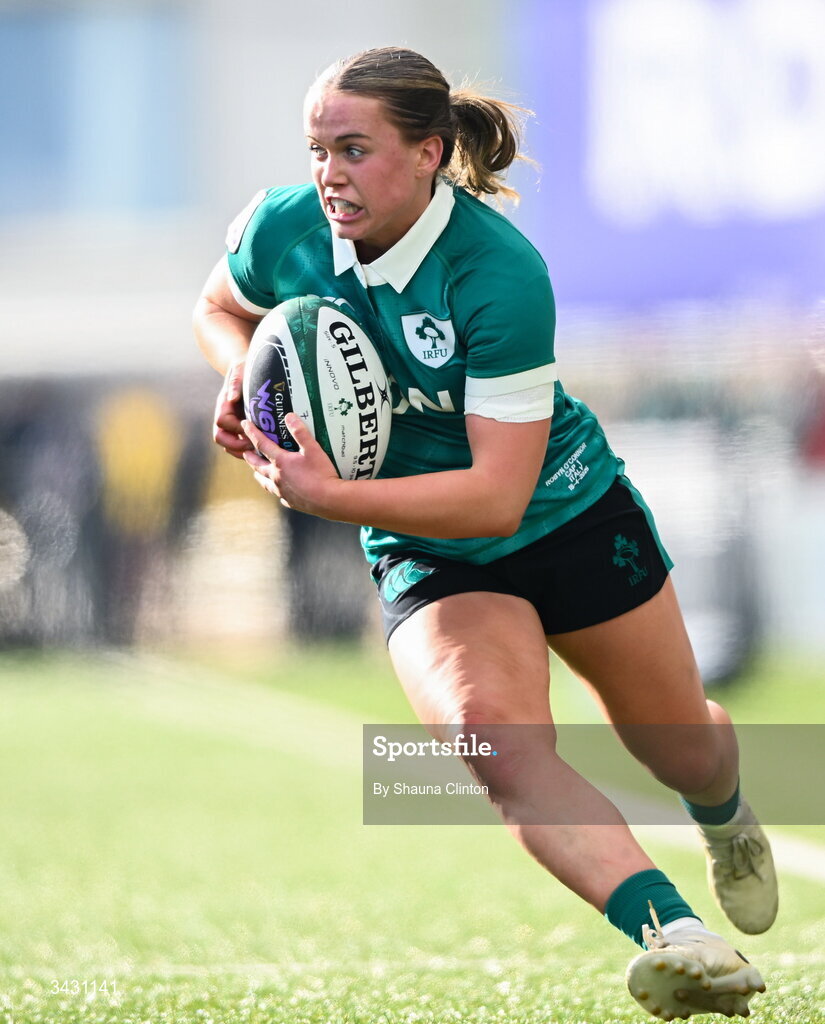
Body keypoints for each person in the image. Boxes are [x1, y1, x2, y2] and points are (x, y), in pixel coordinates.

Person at [192, 46, 778, 1021]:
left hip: (566, 514)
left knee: (678, 747)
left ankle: (726, 819)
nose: (329, 174)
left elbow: (499, 499)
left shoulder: (498, 272)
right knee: (491, 739)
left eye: (354, 149)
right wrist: (244, 373)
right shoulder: (284, 227)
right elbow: (219, 307)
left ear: (429, 153)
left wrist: (332, 497)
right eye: (316, 150)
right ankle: (677, 934)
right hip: (429, 548)